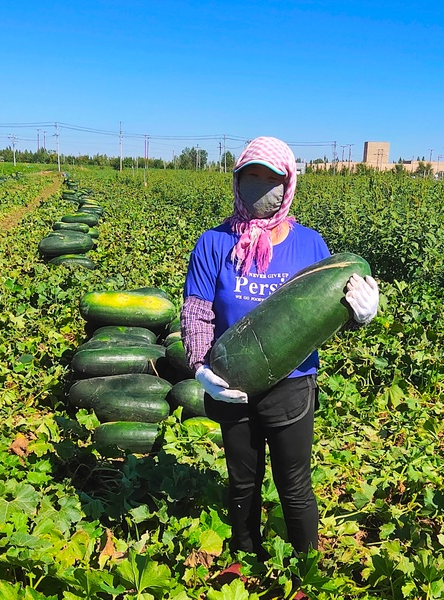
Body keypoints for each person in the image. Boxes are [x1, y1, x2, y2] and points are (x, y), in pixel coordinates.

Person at [180, 136, 379, 562]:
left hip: (292, 384)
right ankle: (245, 562)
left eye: (270, 179)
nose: (260, 187)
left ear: (287, 184)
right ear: (235, 181)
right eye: (250, 177)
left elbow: (325, 314)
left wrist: (361, 314)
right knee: (243, 483)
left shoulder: (310, 245)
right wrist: (200, 367)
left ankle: (306, 568)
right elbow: (197, 310)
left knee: (294, 484)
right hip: (232, 380)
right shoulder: (212, 243)